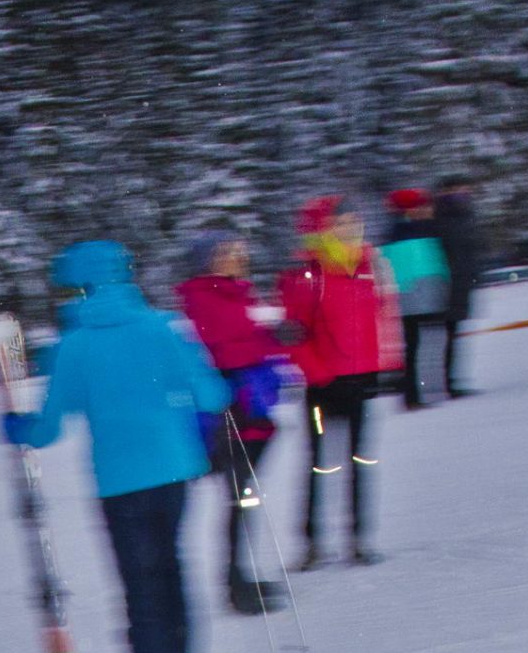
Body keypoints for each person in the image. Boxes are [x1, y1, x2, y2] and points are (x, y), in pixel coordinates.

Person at [6, 239, 228, 653]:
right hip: (174, 468)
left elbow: (48, 428)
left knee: (138, 583)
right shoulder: (161, 327)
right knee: (172, 567)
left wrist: (17, 427)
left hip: (118, 481)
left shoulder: (73, 346)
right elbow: (212, 392)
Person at [277, 196, 392, 570]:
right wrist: (319, 374)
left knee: (360, 460)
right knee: (319, 466)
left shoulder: (366, 264)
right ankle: (312, 542)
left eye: (353, 221)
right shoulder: (308, 275)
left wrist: (385, 366)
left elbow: (381, 317)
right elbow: (295, 335)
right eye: (340, 223)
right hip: (324, 386)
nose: (350, 228)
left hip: (361, 379)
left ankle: (358, 538)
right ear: (322, 229)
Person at [176, 235, 288, 615]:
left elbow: (247, 341)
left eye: (238, 251)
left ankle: (241, 576)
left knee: (245, 499)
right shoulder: (206, 297)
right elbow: (226, 349)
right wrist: (265, 344)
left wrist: (272, 339)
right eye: (226, 253)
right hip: (231, 414)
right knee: (240, 499)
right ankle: (236, 583)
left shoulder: (234, 293)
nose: (237, 257)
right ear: (206, 262)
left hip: (248, 410)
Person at [380, 189, 451, 409]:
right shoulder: (420, 232)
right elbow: (429, 267)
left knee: (412, 347)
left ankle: (414, 393)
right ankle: (419, 392)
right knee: (420, 346)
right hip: (419, 298)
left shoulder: (392, 233)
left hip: (409, 300)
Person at [431, 176, 486, 396]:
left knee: (453, 335)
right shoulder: (445, 216)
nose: (465, 194)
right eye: (460, 189)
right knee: (446, 336)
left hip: (460, 282)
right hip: (448, 284)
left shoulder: (463, 215)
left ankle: (449, 381)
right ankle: (446, 384)